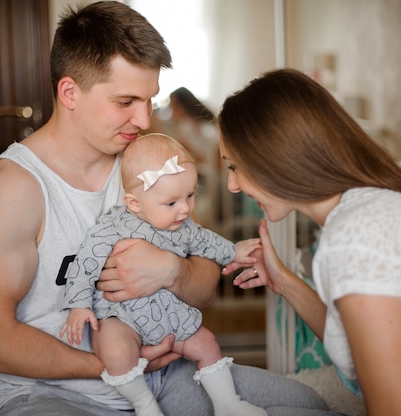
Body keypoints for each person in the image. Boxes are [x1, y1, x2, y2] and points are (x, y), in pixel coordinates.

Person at [0, 2, 338, 415]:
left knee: (308, 405)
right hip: (53, 392)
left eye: (149, 100)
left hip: (163, 377)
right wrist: (112, 366)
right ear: (69, 93)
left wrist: (172, 270)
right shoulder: (9, 191)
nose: (143, 119)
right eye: (126, 102)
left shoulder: (146, 165)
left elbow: (206, 285)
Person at [218, 68, 401, 415]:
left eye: (234, 167)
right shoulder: (364, 210)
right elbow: (350, 341)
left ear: (274, 156)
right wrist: (283, 281)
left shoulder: (355, 235)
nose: (232, 186)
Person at [59, 133, 266, 416]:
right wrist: (79, 306)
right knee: (116, 351)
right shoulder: (113, 226)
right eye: (172, 203)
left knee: (206, 343)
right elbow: (86, 264)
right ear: (134, 203)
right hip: (122, 318)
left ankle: (227, 402)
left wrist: (234, 251)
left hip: (170, 316)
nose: (185, 209)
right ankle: (144, 404)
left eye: (190, 196)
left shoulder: (183, 226)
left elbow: (206, 241)